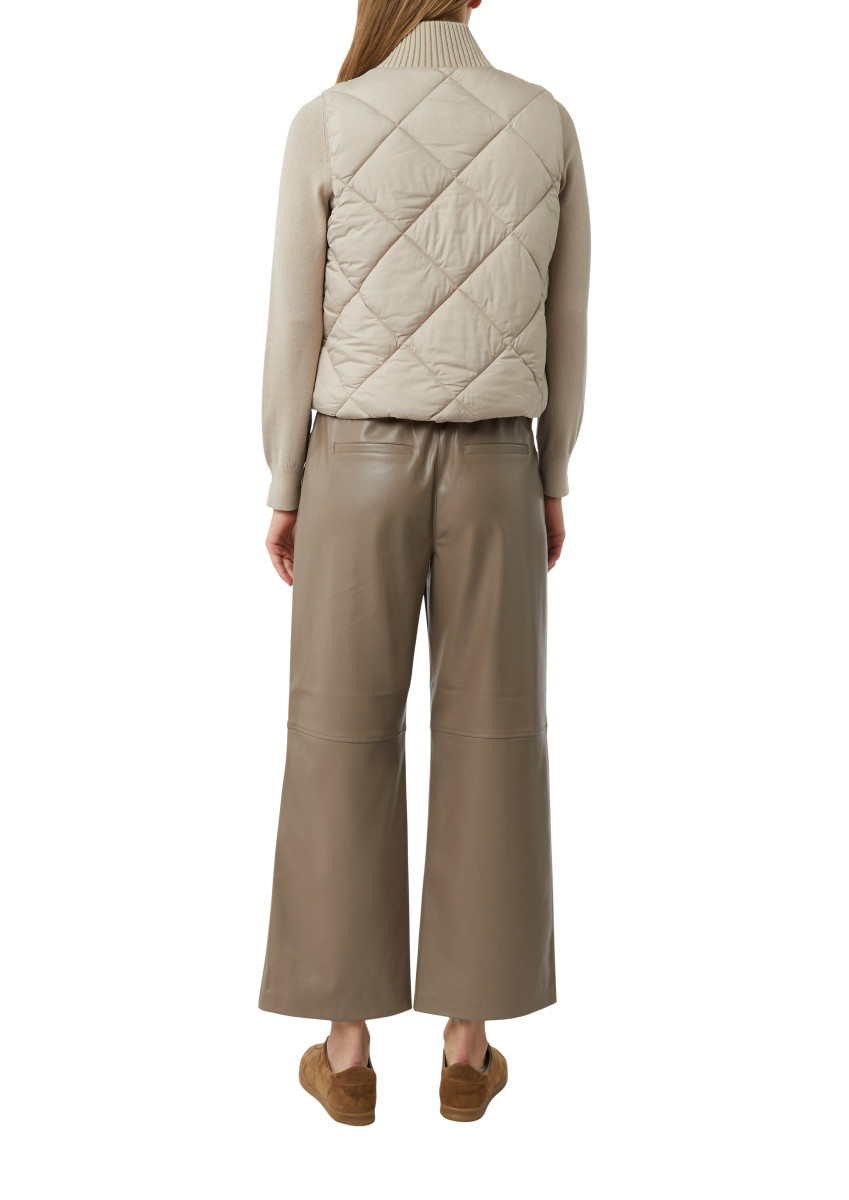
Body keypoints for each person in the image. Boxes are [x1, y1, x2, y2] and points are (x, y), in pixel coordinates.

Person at [258, 0, 591, 1125]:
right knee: (495, 737)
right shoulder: (543, 121)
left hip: (354, 464)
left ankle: (347, 1048)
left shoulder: (329, 120)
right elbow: (568, 318)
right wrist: (552, 472)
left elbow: (292, 325)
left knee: (338, 736)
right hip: (498, 465)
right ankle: (467, 1041)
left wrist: (285, 482)